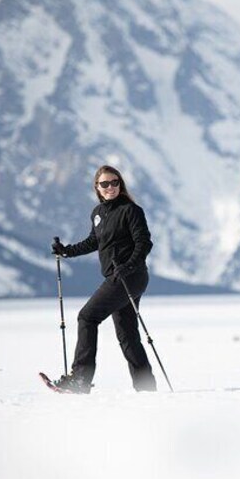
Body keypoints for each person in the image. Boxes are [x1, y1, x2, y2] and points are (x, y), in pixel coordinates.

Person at [50, 165, 156, 393]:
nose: (110, 187)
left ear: (121, 184)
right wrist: (65, 251)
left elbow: (144, 243)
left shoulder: (131, 210)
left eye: (115, 182)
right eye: (105, 184)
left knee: (87, 317)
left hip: (130, 276)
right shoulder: (98, 213)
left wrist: (128, 265)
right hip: (121, 277)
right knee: (127, 334)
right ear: (97, 187)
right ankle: (146, 387)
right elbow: (93, 242)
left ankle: (80, 380)